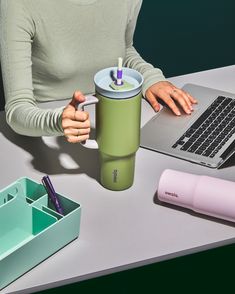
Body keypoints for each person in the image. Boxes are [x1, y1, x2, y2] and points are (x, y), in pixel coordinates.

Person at [0, 0, 197, 144]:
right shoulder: (18, 4)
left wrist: (150, 78)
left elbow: (124, 50)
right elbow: (17, 108)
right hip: (47, 133)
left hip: (115, 119)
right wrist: (57, 121)